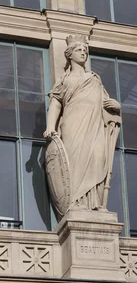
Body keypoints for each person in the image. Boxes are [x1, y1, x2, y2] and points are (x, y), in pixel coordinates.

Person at [43, 35, 121, 214]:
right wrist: (51, 127)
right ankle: (76, 203)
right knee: (75, 162)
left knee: (96, 159)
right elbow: (55, 103)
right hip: (72, 125)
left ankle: (95, 203)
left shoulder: (94, 78)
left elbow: (105, 102)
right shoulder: (64, 79)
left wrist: (116, 106)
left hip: (95, 127)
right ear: (69, 54)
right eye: (79, 50)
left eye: (85, 50)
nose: (83, 53)